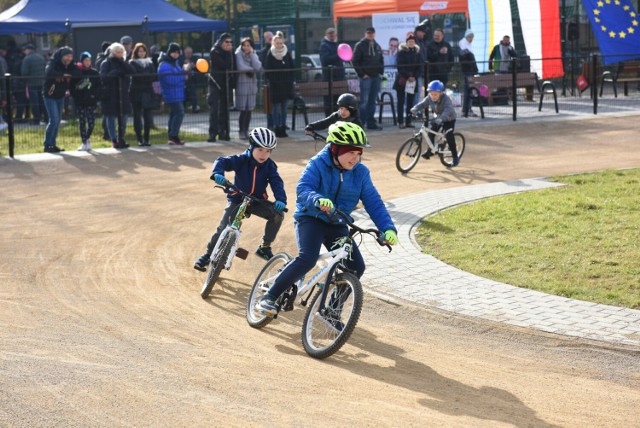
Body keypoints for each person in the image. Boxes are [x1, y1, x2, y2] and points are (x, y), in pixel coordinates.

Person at [256, 121, 398, 316]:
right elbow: (303, 188)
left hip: (337, 222)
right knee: (308, 258)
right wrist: (317, 199)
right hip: (310, 218)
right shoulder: (317, 164)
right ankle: (269, 297)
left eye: (359, 154)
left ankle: (331, 311)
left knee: (356, 266)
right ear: (335, 148)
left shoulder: (361, 173)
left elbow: (374, 202)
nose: (355, 158)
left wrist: (387, 228)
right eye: (350, 152)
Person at [194, 127, 287, 270]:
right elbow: (222, 161)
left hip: (257, 202)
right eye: (260, 149)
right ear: (252, 146)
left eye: (268, 151)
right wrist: (218, 173)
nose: (264, 154)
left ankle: (265, 247)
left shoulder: (269, 166)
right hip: (237, 199)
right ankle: (207, 255)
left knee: (278, 214)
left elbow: (276, 182)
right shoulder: (241, 160)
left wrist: (281, 199)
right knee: (222, 228)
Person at [410, 80, 459, 167]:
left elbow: (448, 110)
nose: (433, 96)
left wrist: (440, 119)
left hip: (449, 119)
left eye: (435, 94)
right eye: (431, 94)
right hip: (438, 118)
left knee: (449, 135)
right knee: (431, 132)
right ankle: (430, 151)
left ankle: (455, 157)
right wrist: (414, 109)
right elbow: (422, 104)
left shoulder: (446, 99)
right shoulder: (429, 98)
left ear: (441, 93)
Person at [42, 46, 79, 153]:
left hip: (60, 95)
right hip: (50, 95)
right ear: (62, 56)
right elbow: (48, 72)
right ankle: (47, 144)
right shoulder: (53, 62)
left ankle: (52, 144)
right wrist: (61, 75)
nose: (70, 58)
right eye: (67, 56)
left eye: (71, 56)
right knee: (53, 120)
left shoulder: (70, 65)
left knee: (57, 121)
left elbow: (78, 73)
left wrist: (67, 74)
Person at [100, 42, 135, 149]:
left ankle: (121, 138)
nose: (120, 54)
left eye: (121, 52)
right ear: (113, 52)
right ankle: (114, 139)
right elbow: (104, 78)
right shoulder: (106, 63)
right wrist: (115, 72)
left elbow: (132, 71)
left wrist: (123, 63)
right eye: (117, 52)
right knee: (110, 118)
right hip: (110, 95)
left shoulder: (123, 62)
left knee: (124, 118)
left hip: (123, 94)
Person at [263, 31, 294, 138]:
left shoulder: (287, 53)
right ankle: (276, 127)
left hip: (286, 84)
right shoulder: (270, 54)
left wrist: (289, 79)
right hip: (275, 85)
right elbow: (267, 70)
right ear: (273, 43)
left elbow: (292, 67)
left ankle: (283, 126)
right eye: (277, 43)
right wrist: (274, 80)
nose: (279, 45)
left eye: (281, 43)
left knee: (284, 107)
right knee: (276, 107)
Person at [352, 27, 384, 131]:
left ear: (374, 34)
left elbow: (381, 60)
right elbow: (355, 61)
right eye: (368, 33)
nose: (370, 35)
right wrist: (362, 74)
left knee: (373, 101)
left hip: (375, 77)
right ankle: (360, 124)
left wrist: (380, 73)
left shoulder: (376, 45)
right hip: (366, 78)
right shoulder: (360, 45)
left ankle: (371, 123)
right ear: (365, 34)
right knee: (364, 102)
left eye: (372, 33)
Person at [158, 42, 187, 145]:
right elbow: (170, 80)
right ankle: (173, 135)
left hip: (177, 93)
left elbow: (179, 75)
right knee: (179, 113)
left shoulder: (175, 63)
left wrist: (187, 72)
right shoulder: (164, 65)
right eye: (173, 52)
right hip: (171, 94)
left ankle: (171, 136)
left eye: (177, 53)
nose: (175, 54)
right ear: (169, 52)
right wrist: (183, 75)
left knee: (173, 114)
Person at [207, 33, 235, 142]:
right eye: (226, 42)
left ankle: (224, 133)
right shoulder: (215, 51)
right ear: (221, 42)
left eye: (230, 42)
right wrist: (228, 53)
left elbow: (231, 66)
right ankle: (212, 134)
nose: (229, 44)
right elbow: (224, 65)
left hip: (226, 84)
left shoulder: (230, 52)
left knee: (224, 110)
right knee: (214, 110)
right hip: (215, 83)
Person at [71, 51, 101, 151]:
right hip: (80, 102)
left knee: (92, 122)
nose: (88, 62)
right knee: (82, 122)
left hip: (91, 101)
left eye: (89, 60)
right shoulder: (77, 72)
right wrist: (76, 97)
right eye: (85, 60)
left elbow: (99, 86)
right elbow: (72, 87)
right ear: (82, 61)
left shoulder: (94, 72)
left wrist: (94, 95)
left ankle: (87, 138)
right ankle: (84, 142)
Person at [129, 42, 156, 146]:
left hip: (148, 92)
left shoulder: (150, 63)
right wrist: (146, 76)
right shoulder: (132, 63)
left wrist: (144, 77)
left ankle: (147, 139)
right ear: (136, 52)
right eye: (140, 51)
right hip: (136, 93)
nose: (142, 53)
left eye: (143, 51)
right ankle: (139, 139)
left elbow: (153, 76)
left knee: (148, 116)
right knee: (137, 116)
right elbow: (136, 77)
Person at [234, 37, 262, 140]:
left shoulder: (253, 53)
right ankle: (241, 131)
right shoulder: (238, 54)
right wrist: (251, 70)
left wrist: (252, 55)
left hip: (251, 84)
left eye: (248, 45)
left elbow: (258, 66)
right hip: (242, 84)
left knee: (249, 109)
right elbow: (240, 67)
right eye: (244, 45)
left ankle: (246, 130)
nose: (246, 47)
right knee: (243, 110)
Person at [394, 33, 421, 129]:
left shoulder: (417, 53)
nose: (411, 43)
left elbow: (419, 67)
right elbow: (399, 66)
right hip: (402, 80)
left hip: (413, 80)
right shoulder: (401, 52)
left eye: (412, 41)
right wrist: (408, 76)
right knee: (400, 101)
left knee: (410, 102)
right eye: (409, 41)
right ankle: (400, 122)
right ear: (406, 42)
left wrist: (415, 76)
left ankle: (408, 121)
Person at [319, 27, 346, 117]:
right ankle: (329, 119)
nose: (332, 35)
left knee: (338, 100)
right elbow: (325, 59)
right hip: (329, 77)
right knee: (329, 101)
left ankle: (337, 118)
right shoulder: (324, 45)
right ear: (326, 35)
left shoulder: (336, 44)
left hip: (339, 76)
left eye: (333, 33)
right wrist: (339, 55)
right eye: (330, 33)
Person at [21, 43, 47, 125]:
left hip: (32, 83)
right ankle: (47, 118)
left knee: (34, 102)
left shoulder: (27, 59)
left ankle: (37, 120)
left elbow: (24, 72)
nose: (24, 52)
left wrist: (24, 81)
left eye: (25, 50)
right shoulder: (41, 57)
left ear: (28, 50)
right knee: (42, 101)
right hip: (42, 82)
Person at [458, 29, 479, 118]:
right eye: (470, 37)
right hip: (468, 72)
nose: (471, 39)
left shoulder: (467, 47)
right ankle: (466, 110)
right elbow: (467, 60)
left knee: (469, 90)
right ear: (466, 37)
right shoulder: (464, 47)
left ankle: (467, 110)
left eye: (472, 37)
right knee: (468, 91)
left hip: (470, 71)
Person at [413, 19, 431, 106]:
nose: (424, 34)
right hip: (416, 73)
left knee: (420, 93)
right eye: (422, 32)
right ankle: (415, 112)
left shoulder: (422, 42)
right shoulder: (414, 42)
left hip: (421, 72)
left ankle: (418, 111)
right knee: (416, 93)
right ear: (418, 32)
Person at [258, 31, 274, 130]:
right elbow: (264, 64)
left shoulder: (278, 49)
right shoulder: (265, 51)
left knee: (277, 103)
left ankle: (279, 123)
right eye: (269, 38)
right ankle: (270, 124)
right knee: (269, 104)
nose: (270, 39)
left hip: (277, 80)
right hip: (268, 80)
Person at [182, 46, 201, 113]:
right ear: (184, 53)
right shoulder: (181, 58)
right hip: (183, 81)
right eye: (187, 53)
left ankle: (194, 108)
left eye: (190, 53)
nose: (189, 54)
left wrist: (193, 65)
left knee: (193, 94)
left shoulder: (194, 58)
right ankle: (182, 110)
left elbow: (198, 67)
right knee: (183, 95)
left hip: (192, 80)